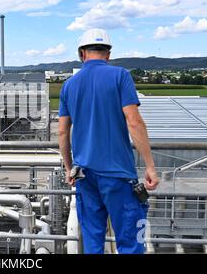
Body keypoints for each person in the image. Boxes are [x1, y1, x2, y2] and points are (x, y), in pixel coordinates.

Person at [58, 28, 159, 254]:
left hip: (84, 174)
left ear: (82, 54)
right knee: (130, 243)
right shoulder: (120, 76)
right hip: (118, 174)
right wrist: (150, 166)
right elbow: (134, 122)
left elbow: (63, 132)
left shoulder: (69, 85)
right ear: (108, 54)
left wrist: (68, 168)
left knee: (92, 242)